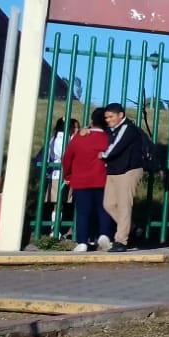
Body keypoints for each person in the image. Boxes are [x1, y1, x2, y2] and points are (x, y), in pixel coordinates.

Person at [100, 103, 151, 252]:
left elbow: (116, 147)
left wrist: (103, 156)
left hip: (128, 170)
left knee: (124, 206)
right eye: (106, 117)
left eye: (111, 116)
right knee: (109, 204)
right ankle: (133, 228)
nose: (108, 120)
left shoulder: (127, 129)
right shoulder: (113, 129)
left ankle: (121, 241)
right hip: (114, 170)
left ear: (121, 115)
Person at [60, 108, 113, 252]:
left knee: (83, 212)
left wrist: (68, 176)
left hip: (81, 180)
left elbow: (67, 158)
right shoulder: (109, 138)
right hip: (103, 179)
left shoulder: (79, 137)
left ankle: (82, 242)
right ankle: (104, 234)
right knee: (104, 210)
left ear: (92, 121)